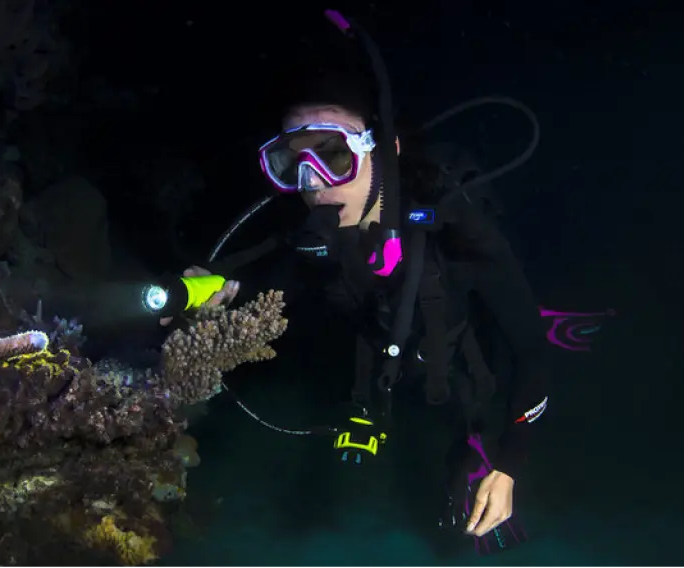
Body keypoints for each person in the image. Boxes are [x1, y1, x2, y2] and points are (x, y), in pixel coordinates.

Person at [162, 10, 548, 555]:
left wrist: (509, 465)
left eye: (336, 155)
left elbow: (529, 348)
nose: (313, 184)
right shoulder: (303, 232)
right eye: (290, 162)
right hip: (374, 360)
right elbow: (260, 277)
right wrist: (213, 291)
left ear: (382, 149)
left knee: (467, 426)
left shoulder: (454, 225)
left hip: (454, 352)